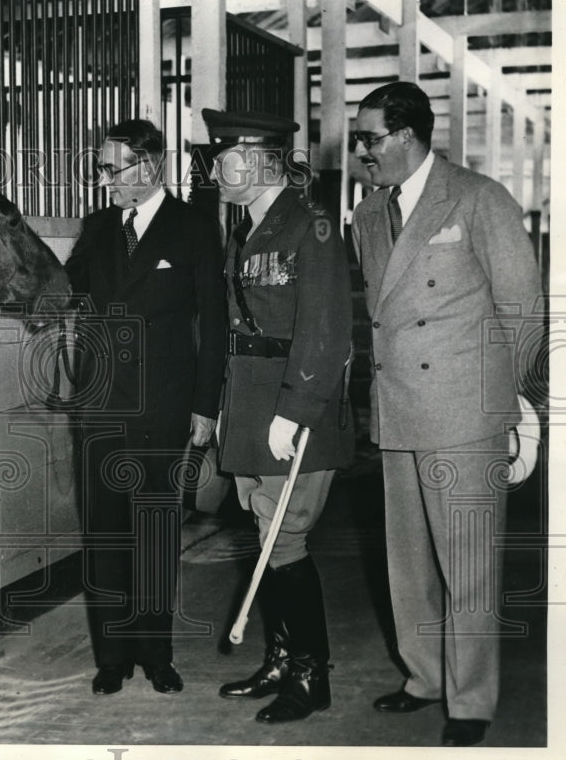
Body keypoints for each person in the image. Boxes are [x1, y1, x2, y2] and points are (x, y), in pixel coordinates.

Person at [350, 81, 544, 747]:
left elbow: (523, 309)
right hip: (398, 409)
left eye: (369, 138)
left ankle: (471, 698)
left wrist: (500, 400)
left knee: (468, 567)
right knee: (407, 564)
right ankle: (423, 676)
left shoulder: (478, 197)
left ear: (406, 135)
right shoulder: (367, 216)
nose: (359, 151)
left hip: (462, 414)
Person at [65, 118, 227, 696]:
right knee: (105, 533)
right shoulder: (99, 226)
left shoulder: (193, 228)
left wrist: (206, 406)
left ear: (150, 165)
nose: (104, 180)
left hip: (163, 407)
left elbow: (214, 322)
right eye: (102, 169)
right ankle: (112, 658)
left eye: (113, 169)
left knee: (155, 531)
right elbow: (66, 293)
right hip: (100, 407)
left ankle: (157, 654)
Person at [203, 108, 354, 723]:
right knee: (265, 537)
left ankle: (312, 675)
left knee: (285, 540)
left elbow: (326, 329)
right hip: (250, 401)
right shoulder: (247, 228)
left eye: (223, 157)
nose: (213, 170)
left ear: (262, 161)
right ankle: (282, 658)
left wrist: (294, 412)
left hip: (294, 407)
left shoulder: (311, 224)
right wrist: (225, 409)